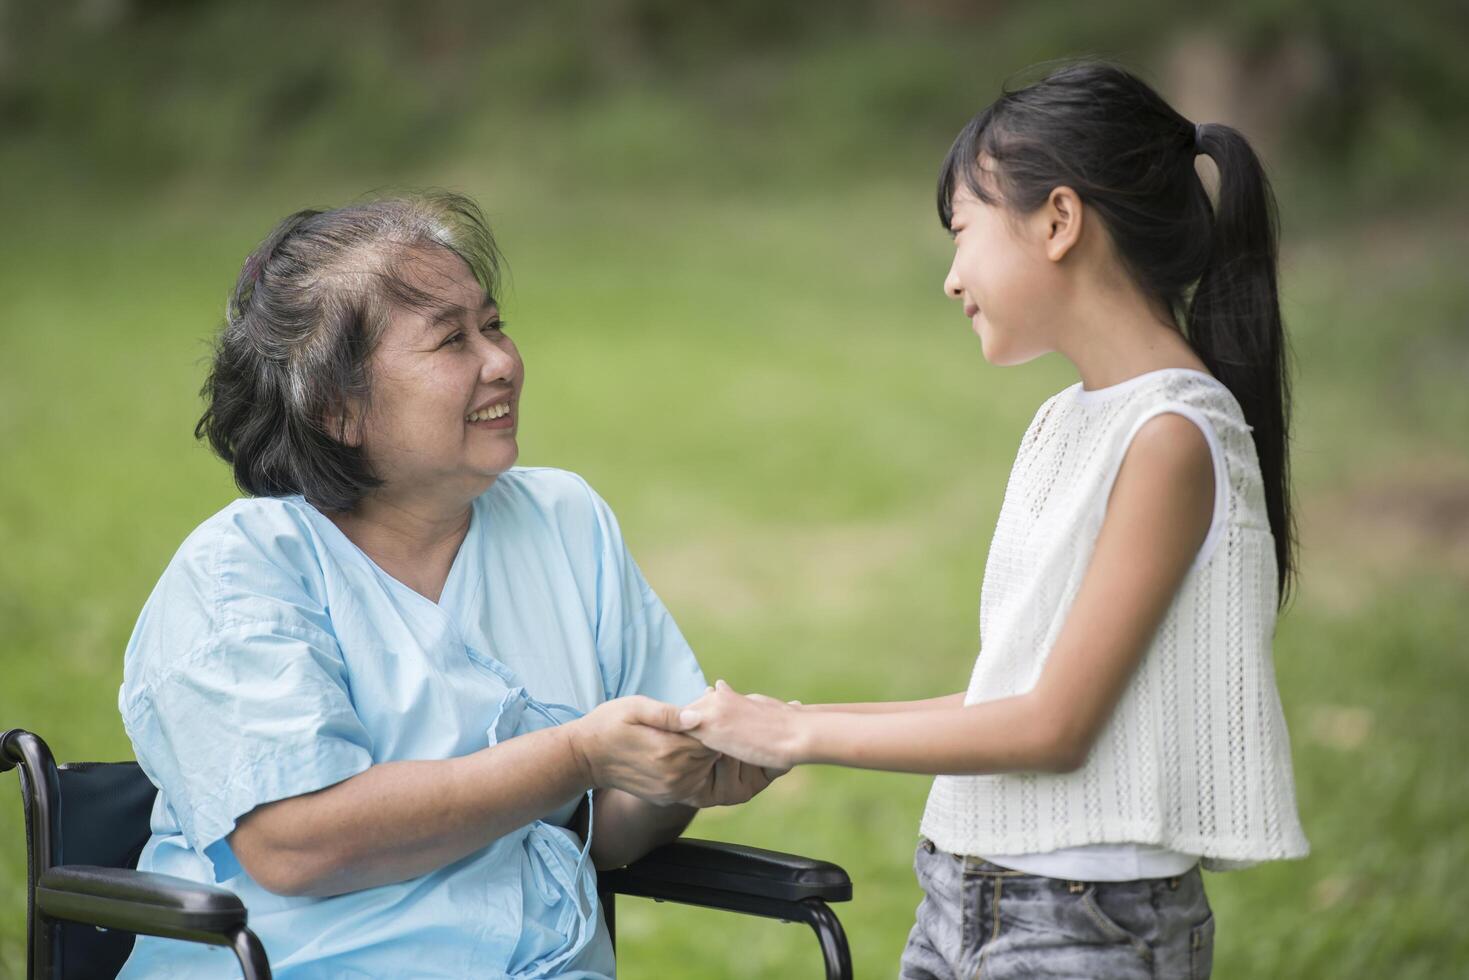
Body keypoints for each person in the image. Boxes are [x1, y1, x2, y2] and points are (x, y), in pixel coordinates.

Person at [680, 61, 1309, 978]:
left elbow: (1052, 727)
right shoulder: (1067, 422)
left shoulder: (1172, 435)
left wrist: (799, 738)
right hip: (967, 895)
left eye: (961, 233)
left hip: (1080, 928)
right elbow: (1003, 702)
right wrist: (791, 718)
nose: (949, 278)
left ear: (1057, 221)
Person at [116, 192, 775, 978]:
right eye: (450, 340)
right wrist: (574, 755)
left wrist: (684, 779)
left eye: (492, 325)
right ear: (338, 409)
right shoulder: (244, 571)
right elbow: (296, 843)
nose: (500, 360)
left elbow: (602, 832)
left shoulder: (564, 520)